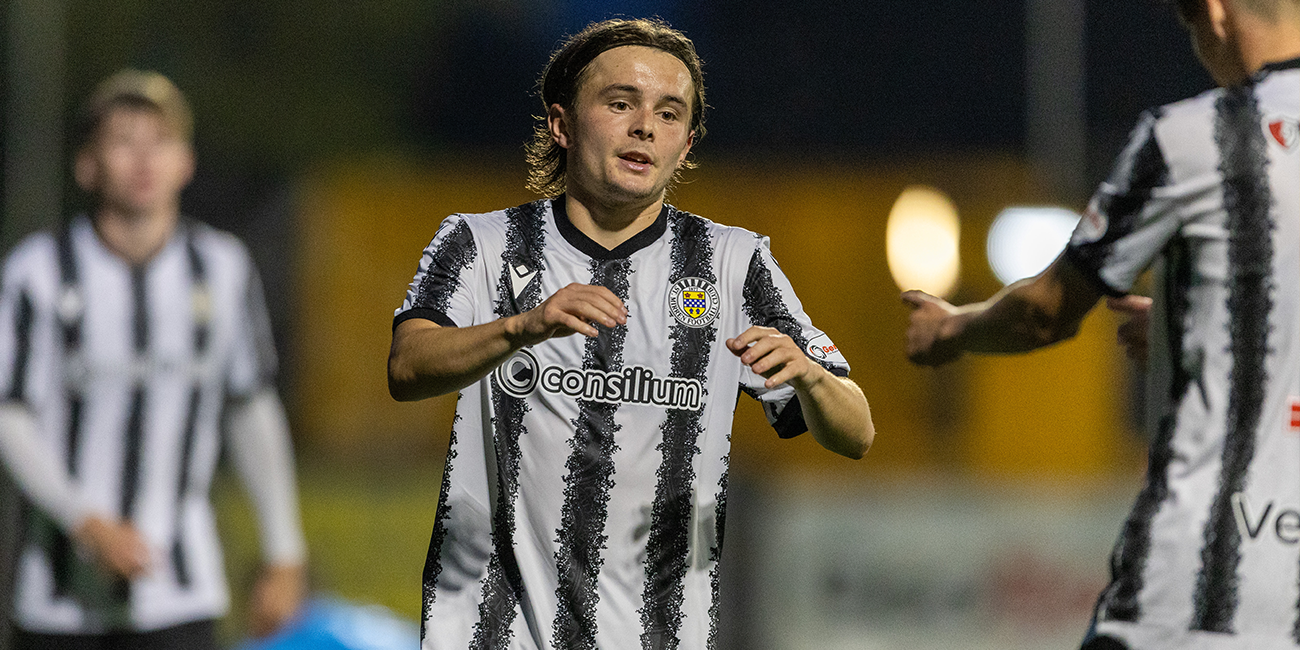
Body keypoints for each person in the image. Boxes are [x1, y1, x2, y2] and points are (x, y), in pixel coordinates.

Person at [388, 17, 874, 650]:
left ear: (687, 143)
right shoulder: (481, 245)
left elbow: (856, 432)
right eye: (621, 103)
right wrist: (522, 327)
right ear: (562, 124)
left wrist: (810, 375)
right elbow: (406, 367)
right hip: (488, 632)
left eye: (670, 114)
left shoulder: (733, 264)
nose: (646, 125)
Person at [902, 0, 1300, 647]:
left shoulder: (1189, 139)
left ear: (1216, 13)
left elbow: (1045, 312)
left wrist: (954, 329)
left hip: (1192, 591)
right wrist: (1186, 332)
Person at [0, 70, 308, 649]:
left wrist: (283, 552)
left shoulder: (222, 267)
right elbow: (7, 412)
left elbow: (250, 408)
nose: (144, 158)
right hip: (57, 600)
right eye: (122, 141)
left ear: (185, 162)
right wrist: (84, 521)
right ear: (87, 164)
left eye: (160, 140)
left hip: (181, 591)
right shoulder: (38, 271)